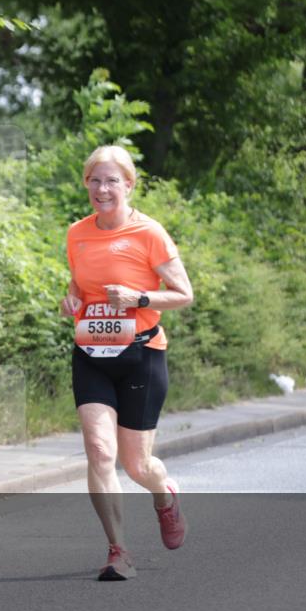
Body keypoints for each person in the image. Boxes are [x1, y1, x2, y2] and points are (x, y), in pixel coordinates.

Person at [60, 145, 194, 581]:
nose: (102, 189)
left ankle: (164, 494)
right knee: (100, 451)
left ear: (129, 185)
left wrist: (139, 298)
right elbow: (79, 285)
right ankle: (118, 550)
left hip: (141, 355)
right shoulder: (77, 233)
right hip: (91, 354)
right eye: (95, 181)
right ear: (86, 184)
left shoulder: (149, 233)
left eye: (111, 181)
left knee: (138, 466)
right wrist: (72, 300)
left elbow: (183, 294)